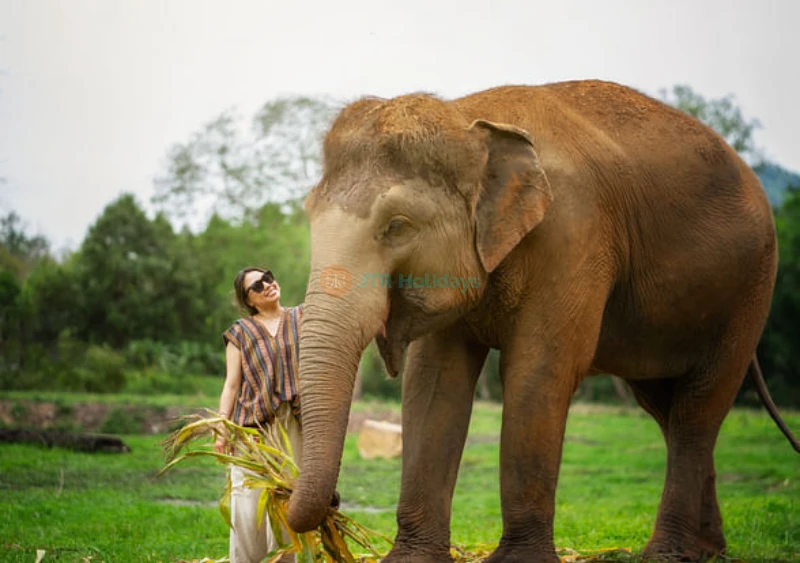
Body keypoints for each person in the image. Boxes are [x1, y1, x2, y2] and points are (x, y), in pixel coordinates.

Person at [215, 267, 303, 563]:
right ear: (248, 300)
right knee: (247, 507)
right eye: (257, 285)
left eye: (268, 277)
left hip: (294, 427)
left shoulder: (303, 317)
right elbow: (231, 385)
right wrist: (222, 426)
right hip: (252, 430)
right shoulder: (239, 332)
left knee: (288, 505)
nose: (267, 284)